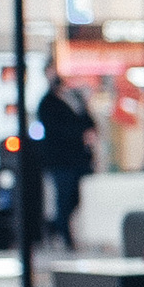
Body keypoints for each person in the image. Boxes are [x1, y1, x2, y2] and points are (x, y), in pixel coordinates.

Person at [34, 75, 92, 246]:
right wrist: (79, 136)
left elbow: (86, 119)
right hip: (60, 160)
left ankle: (60, 226)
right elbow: (55, 130)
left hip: (79, 159)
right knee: (64, 197)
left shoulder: (74, 99)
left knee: (75, 196)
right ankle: (63, 233)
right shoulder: (47, 103)